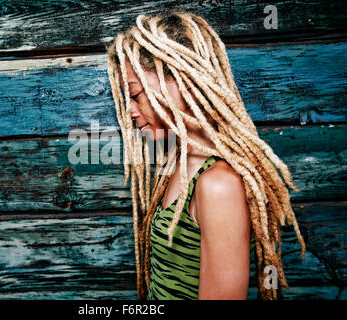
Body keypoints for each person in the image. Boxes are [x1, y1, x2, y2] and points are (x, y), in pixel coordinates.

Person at [105, 11, 305, 300]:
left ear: (181, 81)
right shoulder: (178, 165)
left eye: (135, 95)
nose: (131, 111)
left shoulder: (218, 185)